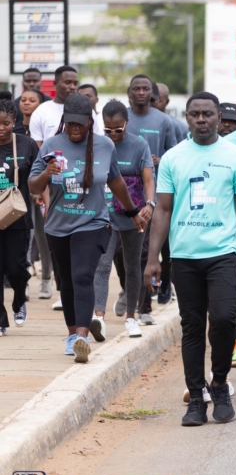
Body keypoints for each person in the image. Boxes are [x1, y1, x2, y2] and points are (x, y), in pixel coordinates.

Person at [144, 91, 236, 427]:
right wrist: (153, 259)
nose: (202, 120)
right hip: (184, 256)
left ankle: (219, 384)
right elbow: (162, 209)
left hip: (223, 253)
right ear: (187, 118)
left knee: (223, 319)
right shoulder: (174, 158)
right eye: (195, 114)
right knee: (192, 326)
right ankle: (196, 399)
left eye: (208, 114)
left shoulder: (235, 156)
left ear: (219, 118)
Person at [30, 94, 145, 363]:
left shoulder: (104, 146)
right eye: (70, 123)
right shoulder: (51, 144)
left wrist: (132, 212)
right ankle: (72, 334)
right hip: (58, 226)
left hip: (94, 222)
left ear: (89, 122)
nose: (74, 129)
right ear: (63, 121)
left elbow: (116, 181)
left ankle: (82, 335)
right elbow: (34, 186)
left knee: (83, 275)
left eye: (80, 124)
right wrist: (47, 173)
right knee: (67, 281)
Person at [91, 100, 154, 341]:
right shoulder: (98, 145)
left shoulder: (139, 145)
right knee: (103, 265)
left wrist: (150, 204)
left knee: (132, 265)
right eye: (108, 130)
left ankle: (131, 318)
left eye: (118, 129)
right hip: (104, 215)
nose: (113, 134)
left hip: (133, 215)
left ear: (126, 123)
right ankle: (99, 317)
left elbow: (148, 178)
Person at [124, 75, 181, 315]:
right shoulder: (122, 116)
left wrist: (160, 159)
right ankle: (128, 290)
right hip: (124, 192)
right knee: (121, 250)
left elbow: (175, 152)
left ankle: (156, 291)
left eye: (145, 88)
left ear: (153, 94)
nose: (140, 92)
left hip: (156, 191)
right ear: (129, 92)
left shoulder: (164, 121)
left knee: (151, 247)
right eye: (136, 88)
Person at [0, 96, 37, 336]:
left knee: (15, 268)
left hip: (17, 219)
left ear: (14, 121)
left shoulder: (26, 144)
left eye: (5, 123)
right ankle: (1, 320)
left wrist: (41, 196)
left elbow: (39, 175)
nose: (1, 129)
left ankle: (19, 298)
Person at [18, 88, 52, 300]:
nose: (27, 103)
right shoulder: (11, 129)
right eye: (23, 100)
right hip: (17, 192)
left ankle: (46, 279)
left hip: (39, 188)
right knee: (23, 236)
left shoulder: (43, 132)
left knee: (41, 234)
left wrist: (39, 189)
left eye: (32, 100)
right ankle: (23, 280)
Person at [29, 66, 104, 146]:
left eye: (75, 83)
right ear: (55, 83)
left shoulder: (87, 110)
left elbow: (96, 141)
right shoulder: (41, 112)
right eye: (68, 82)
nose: (72, 87)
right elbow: (38, 148)